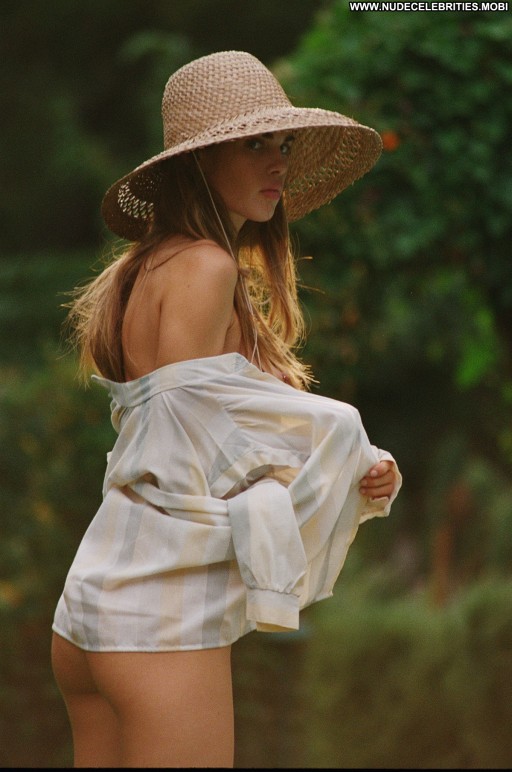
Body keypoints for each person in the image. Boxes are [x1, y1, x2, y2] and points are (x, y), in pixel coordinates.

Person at [51, 50, 402, 768]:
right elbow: (198, 442)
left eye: (285, 144)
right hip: (158, 617)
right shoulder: (207, 267)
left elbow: (193, 430)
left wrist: (362, 467)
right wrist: (341, 445)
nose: (278, 162)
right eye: (254, 144)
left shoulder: (144, 269)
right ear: (199, 160)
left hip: (93, 604)